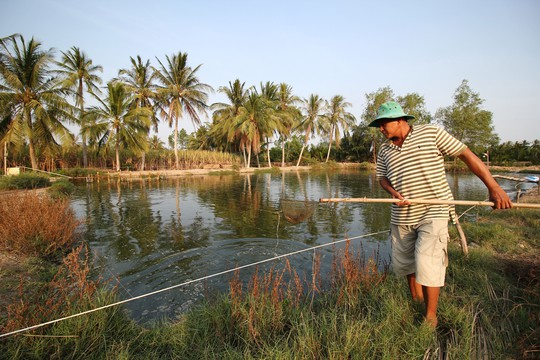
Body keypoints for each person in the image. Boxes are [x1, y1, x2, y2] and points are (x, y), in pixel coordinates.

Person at [369, 101, 512, 327]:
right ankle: (416, 302)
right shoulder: (385, 150)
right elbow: (382, 178)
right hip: (402, 215)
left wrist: (493, 187)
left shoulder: (431, 133)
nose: (381, 129)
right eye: (378, 125)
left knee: (428, 261)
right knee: (406, 264)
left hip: (433, 209)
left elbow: (466, 155)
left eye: (383, 123)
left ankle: (431, 316)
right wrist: (393, 192)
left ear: (400, 120)